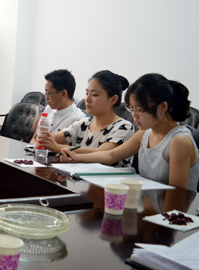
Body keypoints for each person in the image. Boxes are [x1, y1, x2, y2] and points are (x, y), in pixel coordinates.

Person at [61, 74, 198, 191]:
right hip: (148, 203)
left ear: (162, 107)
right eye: (131, 108)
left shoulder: (179, 141)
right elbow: (111, 155)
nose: (134, 115)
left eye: (139, 109)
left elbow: (176, 195)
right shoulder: (145, 133)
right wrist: (77, 157)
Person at [37, 70, 135, 167]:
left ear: (113, 99)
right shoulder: (84, 123)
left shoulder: (123, 127)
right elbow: (55, 138)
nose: (87, 99)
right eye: (87, 93)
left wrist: (58, 148)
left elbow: (102, 154)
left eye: (94, 95)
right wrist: (47, 138)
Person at [29, 69, 86, 144]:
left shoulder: (77, 119)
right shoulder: (49, 108)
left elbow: (68, 149)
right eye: (45, 93)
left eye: (48, 93)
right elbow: (34, 139)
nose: (46, 97)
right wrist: (36, 147)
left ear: (63, 94)